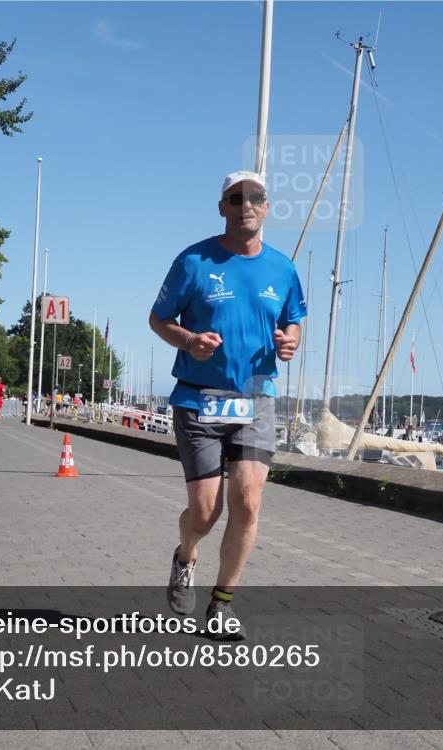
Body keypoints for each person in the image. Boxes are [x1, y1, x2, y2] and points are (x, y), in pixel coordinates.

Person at [149, 170, 306, 640]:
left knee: (248, 502)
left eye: (256, 198)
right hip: (199, 400)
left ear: (267, 207)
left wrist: (290, 341)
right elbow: (158, 318)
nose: (246, 206)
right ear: (223, 207)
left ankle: (221, 604)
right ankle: (185, 556)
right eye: (236, 199)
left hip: (256, 398)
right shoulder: (194, 261)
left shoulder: (282, 268)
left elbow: (294, 319)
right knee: (205, 512)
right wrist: (189, 339)